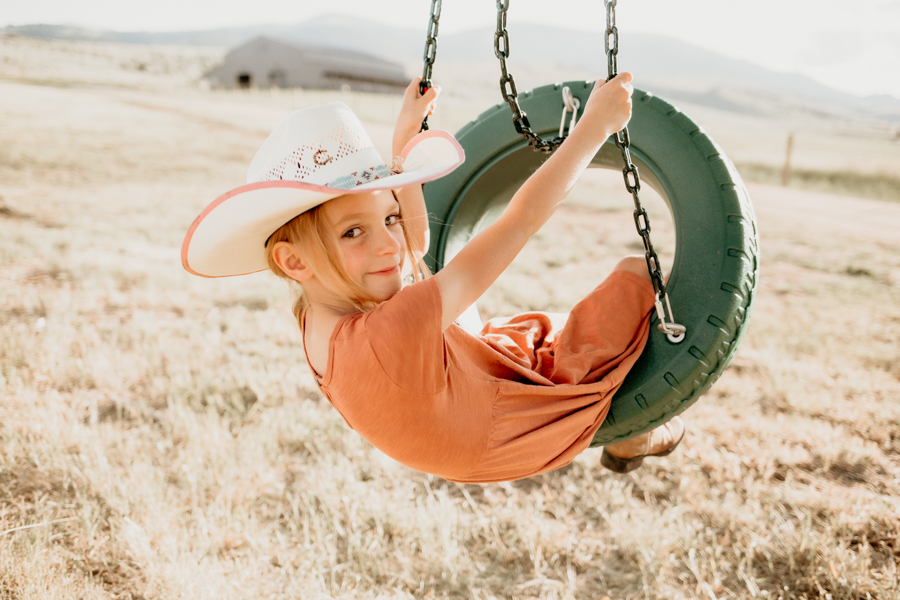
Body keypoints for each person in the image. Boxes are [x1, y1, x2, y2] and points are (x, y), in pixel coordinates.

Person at [182, 74, 684, 483]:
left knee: (517, 323)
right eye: (353, 231)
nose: (389, 245)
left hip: (460, 428)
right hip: (505, 433)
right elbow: (520, 221)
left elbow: (414, 246)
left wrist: (404, 141)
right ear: (294, 261)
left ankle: (625, 426)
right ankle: (639, 433)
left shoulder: (319, 309)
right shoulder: (391, 332)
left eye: (389, 217)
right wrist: (592, 128)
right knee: (632, 273)